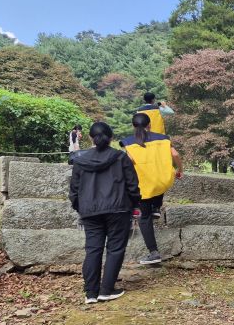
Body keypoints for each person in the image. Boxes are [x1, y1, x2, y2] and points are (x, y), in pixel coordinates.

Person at [69, 122, 141, 304]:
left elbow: (74, 190)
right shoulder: (121, 157)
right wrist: (135, 205)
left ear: (91, 138)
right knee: (115, 249)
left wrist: (81, 207)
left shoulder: (80, 160)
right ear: (111, 138)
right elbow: (132, 185)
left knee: (93, 249)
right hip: (118, 208)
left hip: (90, 211)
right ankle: (106, 290)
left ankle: (90, 293)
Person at [121, 113, 182, 265]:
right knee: (159, 183)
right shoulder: (163, 138)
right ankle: (156, 206)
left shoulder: (128, 142)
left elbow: (129, 162)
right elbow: (175, 154)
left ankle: (153, 253)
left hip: (142, 185)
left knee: (144, 218)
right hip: (160, 181)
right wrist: (179, 169)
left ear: (133, 126)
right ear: (150, 125)